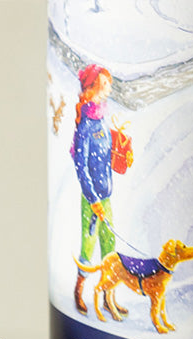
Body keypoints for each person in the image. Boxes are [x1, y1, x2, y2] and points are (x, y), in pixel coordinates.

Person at [71, 64, 119, 315]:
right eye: (102, 87)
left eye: (108, 86)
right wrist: (93, 199)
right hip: (92, 200)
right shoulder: (86, 125)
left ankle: (109, 298)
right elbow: (82, 166)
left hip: (106, 195)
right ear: (89, 90)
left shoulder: (102, 119)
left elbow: (108, 157)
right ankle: (79, 291)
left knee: (109, 247)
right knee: (88, 247)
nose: (107, 91)